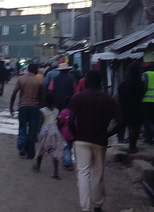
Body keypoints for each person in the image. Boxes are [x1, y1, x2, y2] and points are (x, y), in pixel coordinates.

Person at [68, 70, 120, 212]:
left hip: (81, 139)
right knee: (98, 173)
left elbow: (71, 121)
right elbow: (121, 122)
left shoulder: (77, 98)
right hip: (100, 140)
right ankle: (98, 205)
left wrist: (75, 135)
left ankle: (85, 207)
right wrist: (108, 134)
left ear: (85, 81)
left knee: (83, 173)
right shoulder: (109, 99)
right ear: (101, 82)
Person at [10, 63, 44, 159]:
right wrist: (42, 107)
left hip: (23, 107)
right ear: (37, 70)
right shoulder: (39, 81)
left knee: (22, 128)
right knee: (32, 129)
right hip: (34, 107)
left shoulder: (21, 79)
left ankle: (22, 146)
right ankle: (31, 153)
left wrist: (11, 107)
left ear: (28, 70)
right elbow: (42, 96)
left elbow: (14, 93)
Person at [34, 93, 65, 180]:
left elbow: (40, 123)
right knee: (55, 152)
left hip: (44, 131)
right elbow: (58, 123)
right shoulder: (56, 110)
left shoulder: (42, 110)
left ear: (45, 101)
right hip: (54, 132)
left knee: (40, 149)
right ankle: (55, 173)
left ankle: (37, 167)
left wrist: (37, 133)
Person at [117, 61, 143, 153]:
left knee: (128, 126)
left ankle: (128, 144)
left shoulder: (124, 84)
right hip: (138, 107)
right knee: (135, 127)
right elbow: (142, 94)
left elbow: (119, 97)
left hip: (126, 107)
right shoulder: (141, 83)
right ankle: (133, 146)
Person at [58, 97, 75, 171]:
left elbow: (61, 122)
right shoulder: (74, 111)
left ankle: (67, 164)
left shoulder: (63, 112)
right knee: (70, 147)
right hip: (73, 132)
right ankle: (69, 162)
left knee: (66, 148)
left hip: (66, 133)